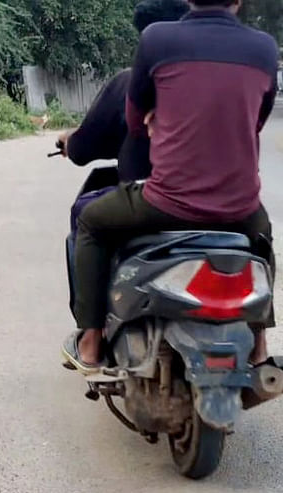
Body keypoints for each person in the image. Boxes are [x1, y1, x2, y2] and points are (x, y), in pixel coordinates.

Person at [63, 0, 278, 372]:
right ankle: (260, 345)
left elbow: (132, 122)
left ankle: (91, 340)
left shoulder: (156, 40)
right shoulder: (264, 48)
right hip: (240, 208)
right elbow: (256, 121)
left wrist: (155, 121)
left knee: (92, 222)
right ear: (239, 1)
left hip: (166, 201)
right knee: (262, 238)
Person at [58, 0, 189, 315]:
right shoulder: (218, 80)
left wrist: (70, 142)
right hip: (226, 202)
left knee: (85, 216)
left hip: (155, 200)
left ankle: (91, 333)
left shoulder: (131, 81)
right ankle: (259, 344)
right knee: (259, 237)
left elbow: (85, 147)